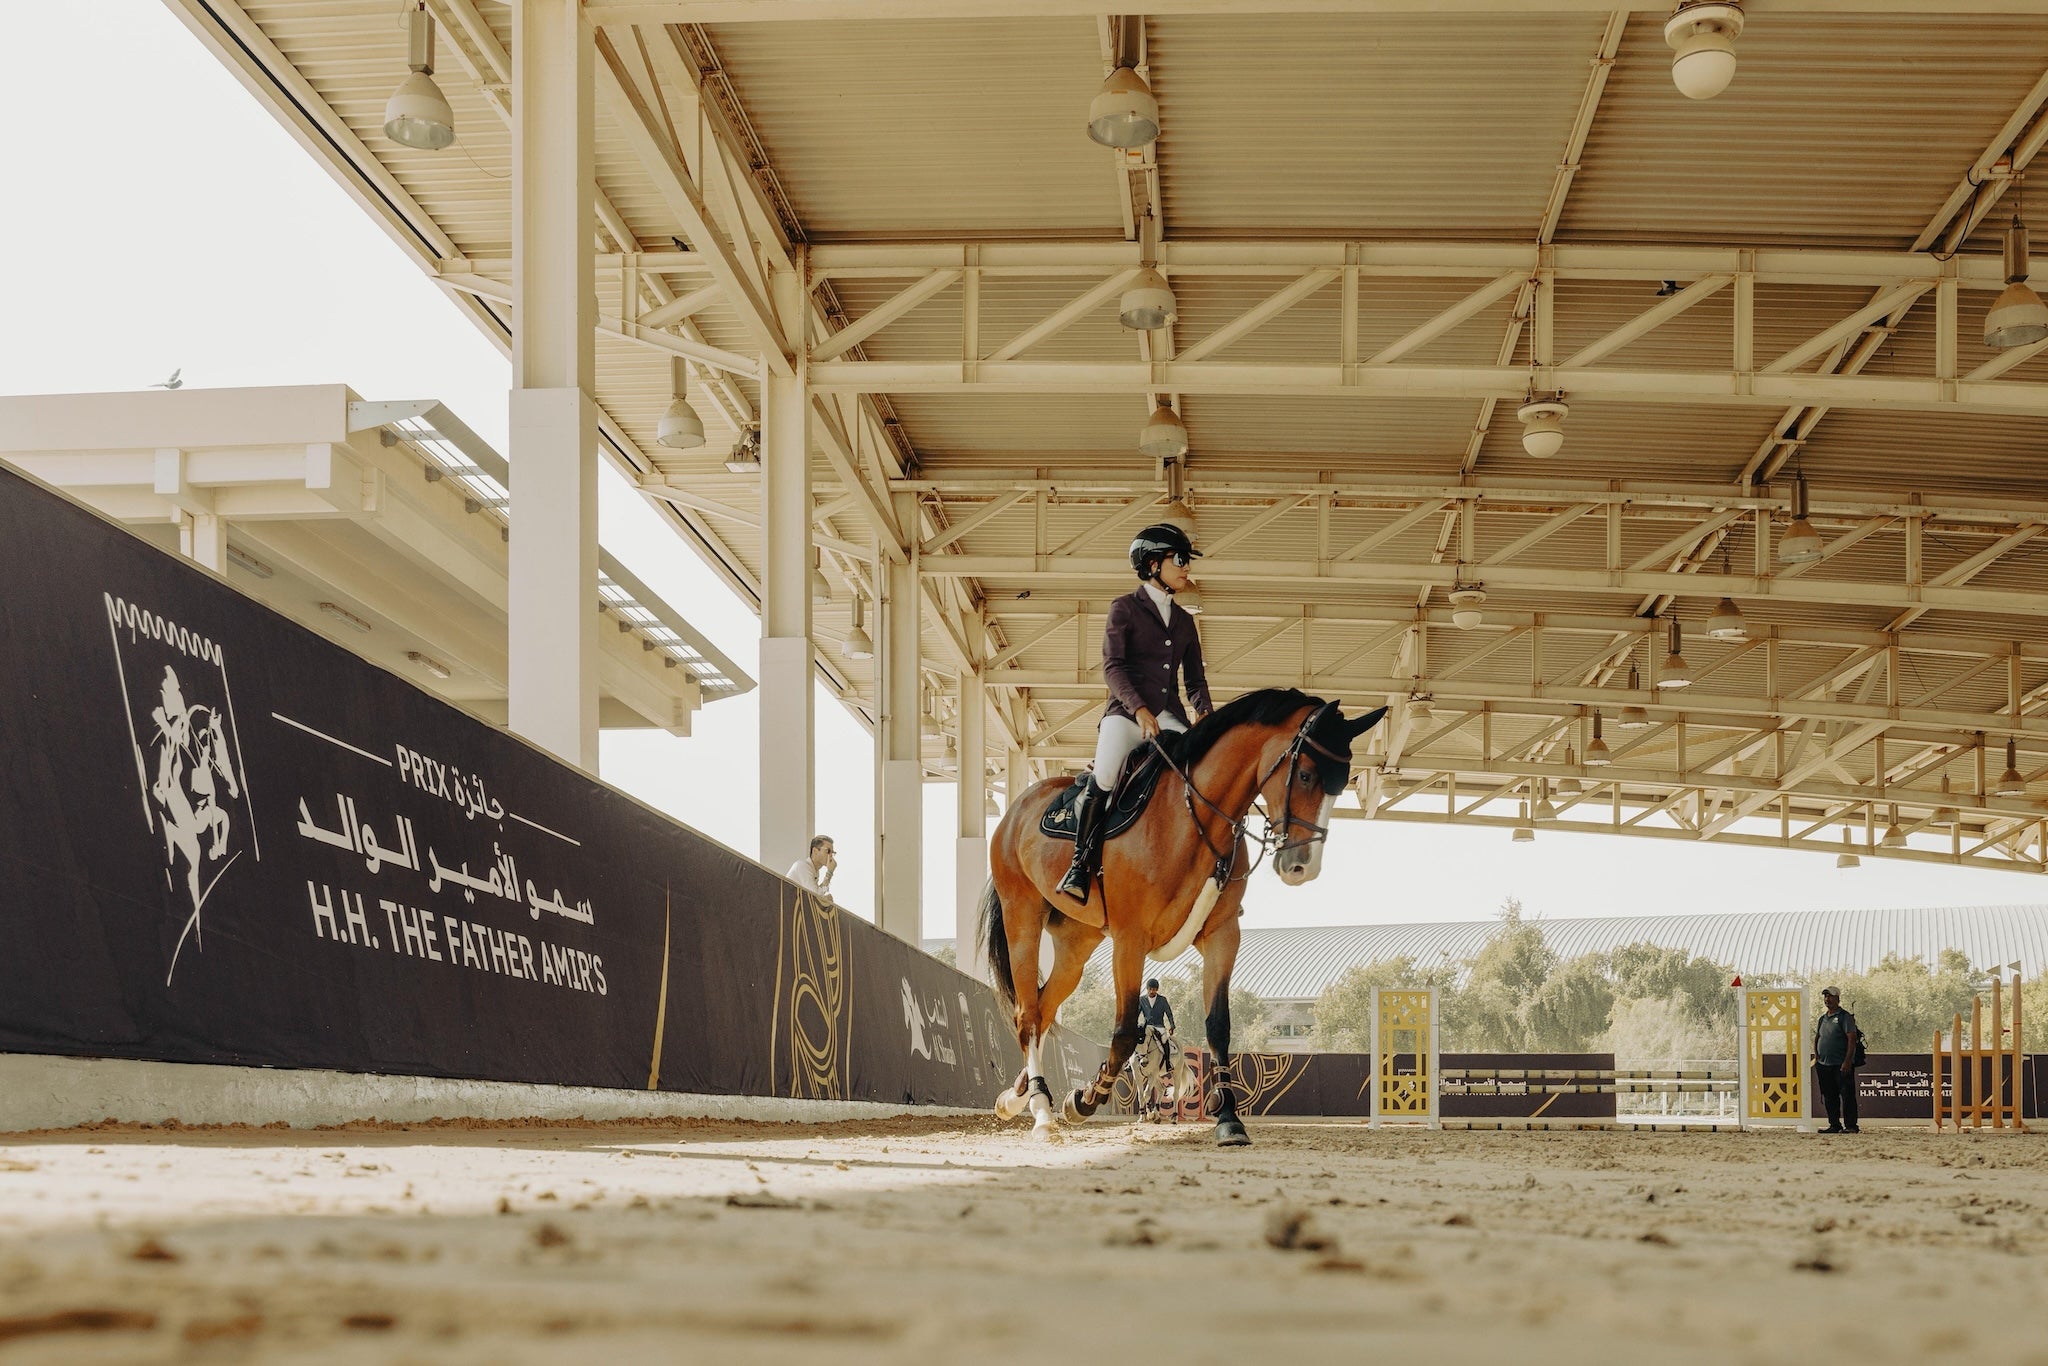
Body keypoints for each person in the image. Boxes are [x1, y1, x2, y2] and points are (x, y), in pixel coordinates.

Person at [1056, 523, 1213, 902]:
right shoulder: (1124, 608)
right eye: (1180, 560)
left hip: (1171, 717)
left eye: (1187, 560)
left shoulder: (1185, 621)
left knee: (1204, 779)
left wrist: (1205, 713)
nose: (1186, 567)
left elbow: (1194, 680)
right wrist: (1139, 708)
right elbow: (1113, 666)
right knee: (1107, 776)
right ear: (1153, 563)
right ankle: (1079, 865)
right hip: (1126, 715)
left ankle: (1208, 870)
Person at [1813, 986, 1861, 1133]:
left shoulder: (1844, 1017)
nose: (1827, 999)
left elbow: (1851, 1040)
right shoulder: (1822, 1018)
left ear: (1838, 999)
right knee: (1829, 1096)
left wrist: (1847, 1061)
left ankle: (1851, 1126)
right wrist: (1816, 1055)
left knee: (1847, 1096)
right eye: (1825, 996)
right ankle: (1834, 1125)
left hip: (1841, 1065)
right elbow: (1818, 1037)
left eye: (1831, 996)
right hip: (1824, 1064)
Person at [785, 834, 835, 904]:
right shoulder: (802, 866)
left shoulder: (815, 871)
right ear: (815, 851)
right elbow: (816, 897)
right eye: (828, 851)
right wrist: (829, 872)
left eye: (832, 852)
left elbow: (820, 894)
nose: (831, 855)